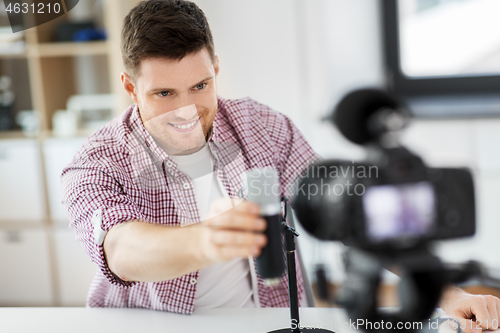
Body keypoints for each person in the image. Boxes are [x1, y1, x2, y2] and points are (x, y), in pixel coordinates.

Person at [62, 0, 500, 331]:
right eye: (164, 94)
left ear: (216, 68)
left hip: (268, 323)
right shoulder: (97, 160)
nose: (187, 111)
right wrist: (207, 240)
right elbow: (119, 250)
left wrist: (445, 291)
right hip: (156, 326)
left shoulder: (262, 127)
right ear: (130, 87)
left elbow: (349, 213)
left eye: (200, 85)